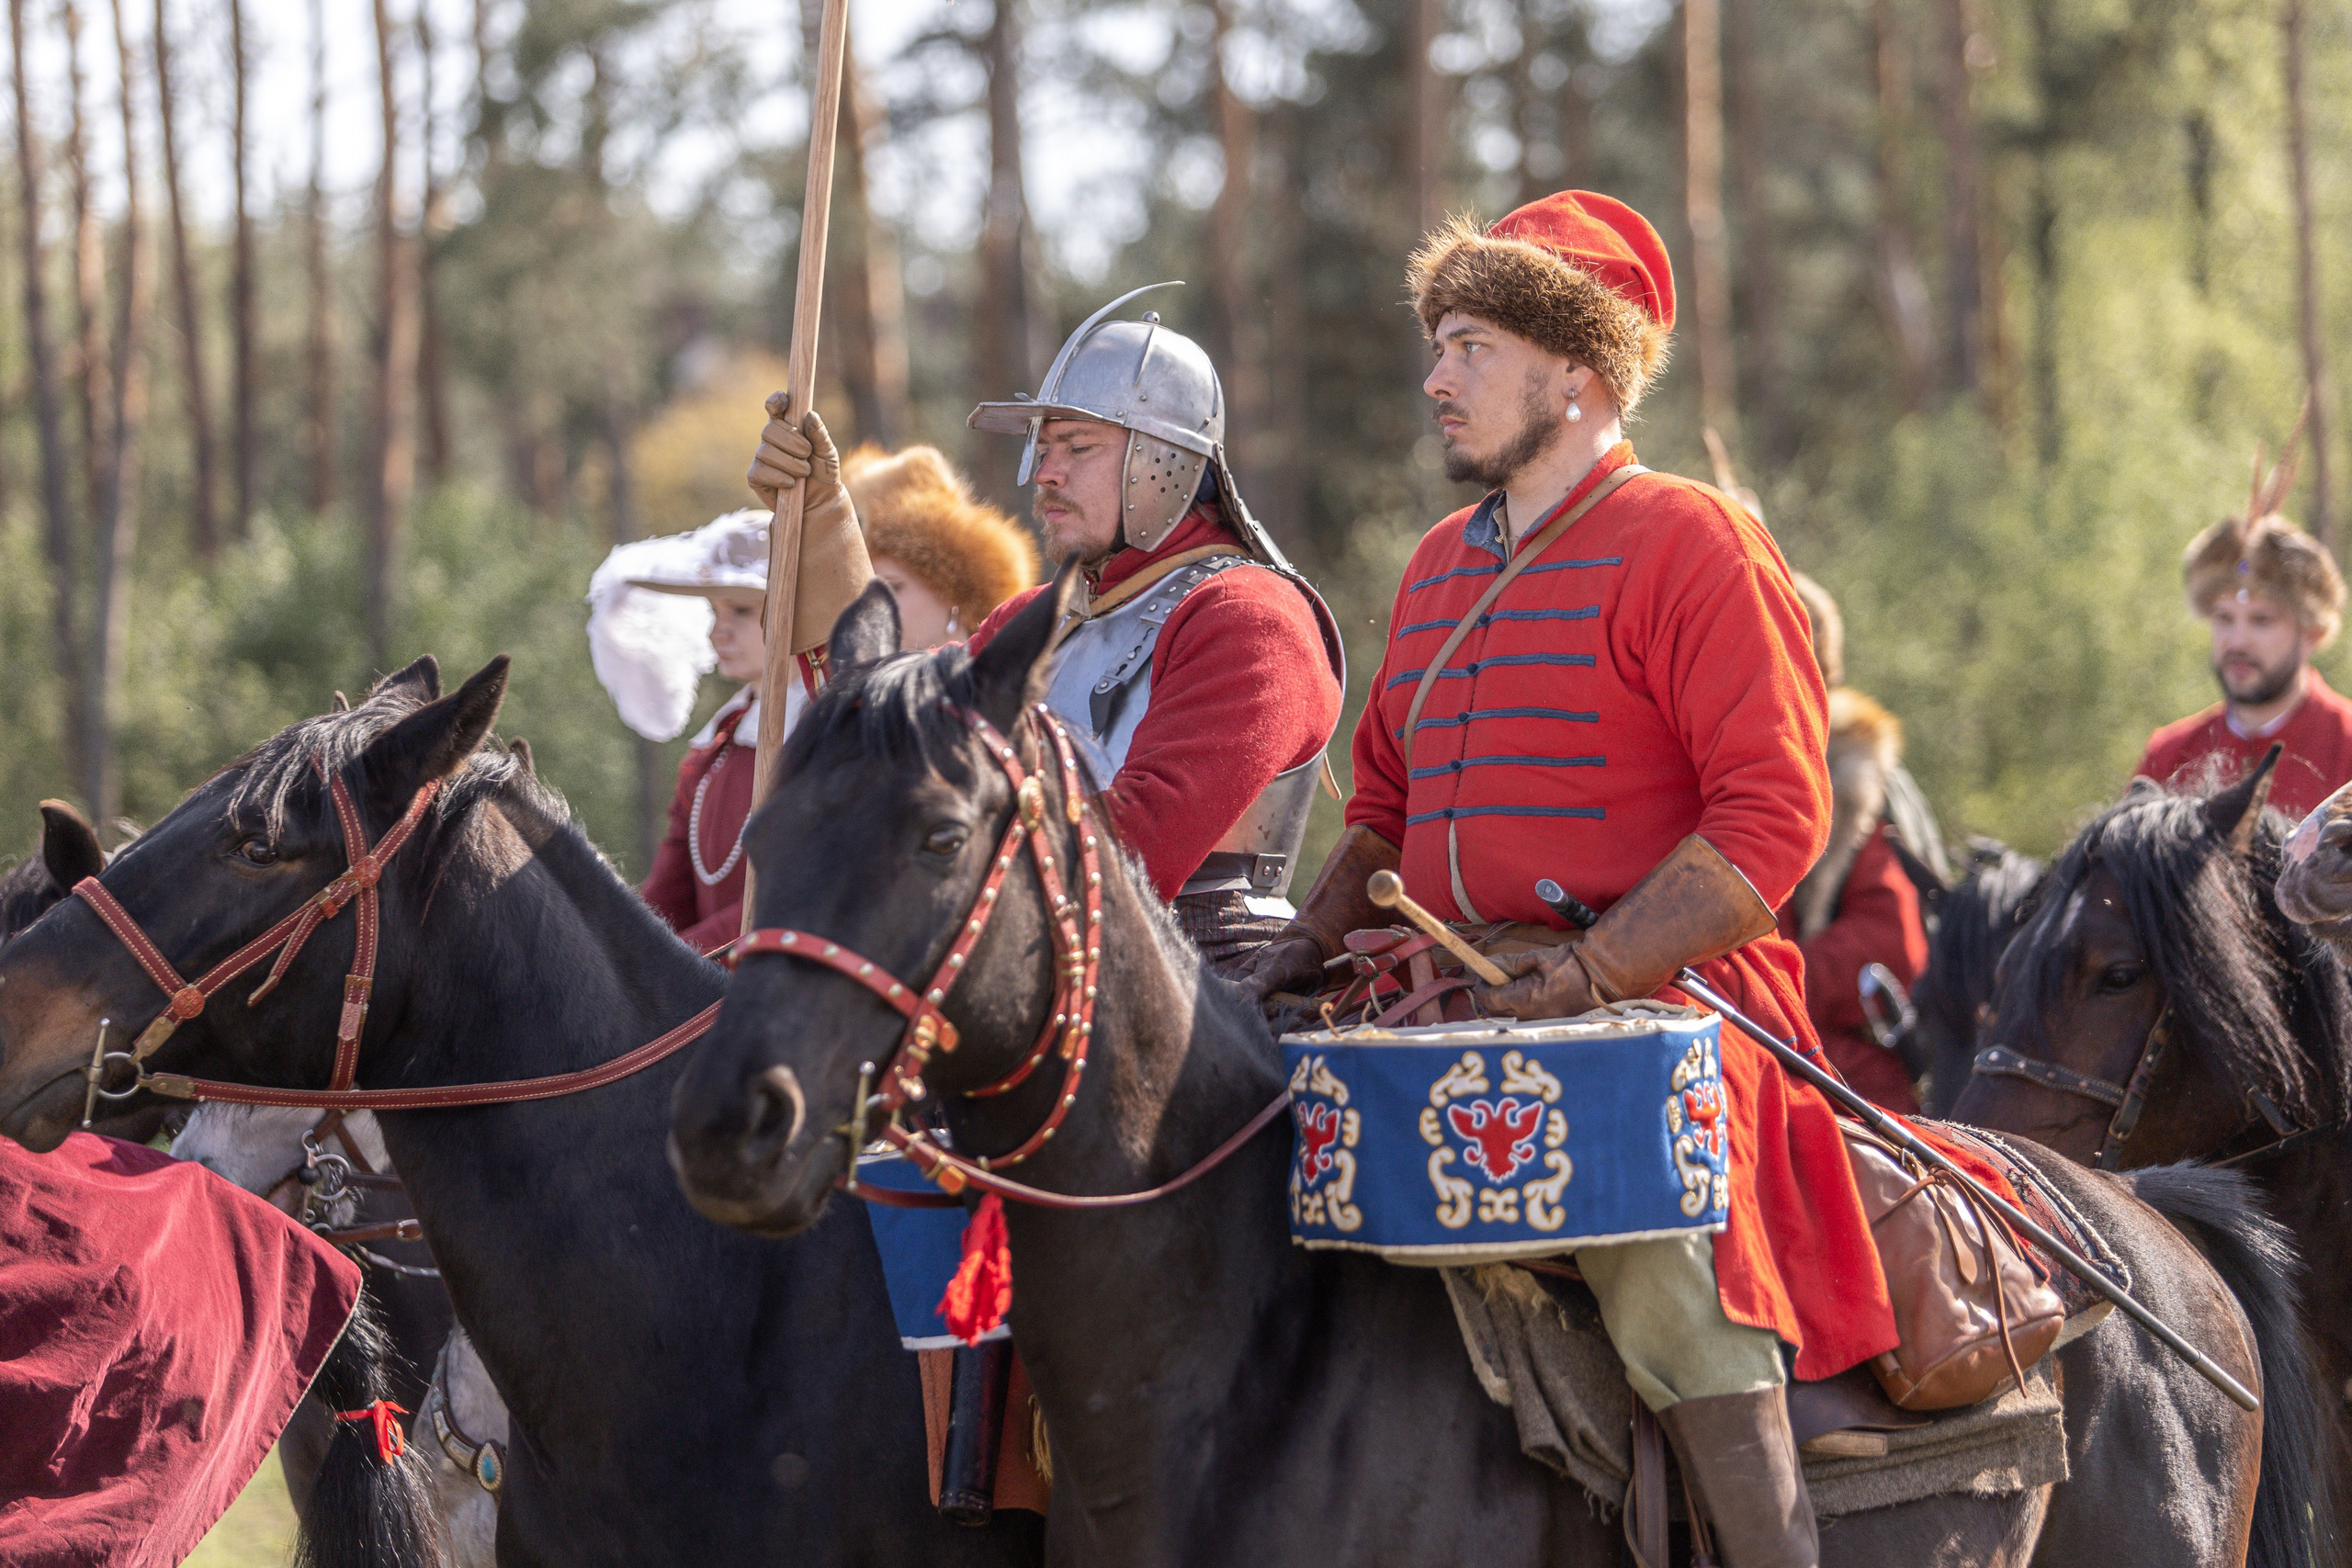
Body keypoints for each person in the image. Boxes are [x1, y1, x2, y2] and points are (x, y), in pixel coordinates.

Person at [1235, 191, 2018, 1568]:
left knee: (1652, 1253)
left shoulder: (1693, 540)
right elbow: (1384, 817)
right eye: (1438, 344)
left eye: (1471, 346)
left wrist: (1593, 973)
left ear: (1578, 371)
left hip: (1675, 1004)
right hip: (1438, 994)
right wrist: (1299, 945)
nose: (1435, 379)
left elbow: (1773, 817)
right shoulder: (1435, 567)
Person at [750, 289, 1347, 965]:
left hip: (1205, 965)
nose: (1045, 474)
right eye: (1044, 446)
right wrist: (820, 525)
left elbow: (1137, 848)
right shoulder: (1037, 618)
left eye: (1077, 447)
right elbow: (896, 737)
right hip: (1024, 949)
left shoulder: (1250, 616)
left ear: (1165, 460)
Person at [1778, 572, 1940, 1112]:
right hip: (1755, 1057)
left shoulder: (1851, 784)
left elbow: (1889, 947)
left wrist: (1761, 982)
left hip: (1848, 1090)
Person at [2137, 441, 2352, 819]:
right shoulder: (2168, 756)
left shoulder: (2347, 747)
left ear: (2311, 632)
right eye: (2224, 618)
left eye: (2261, 620)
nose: (2237, 641)